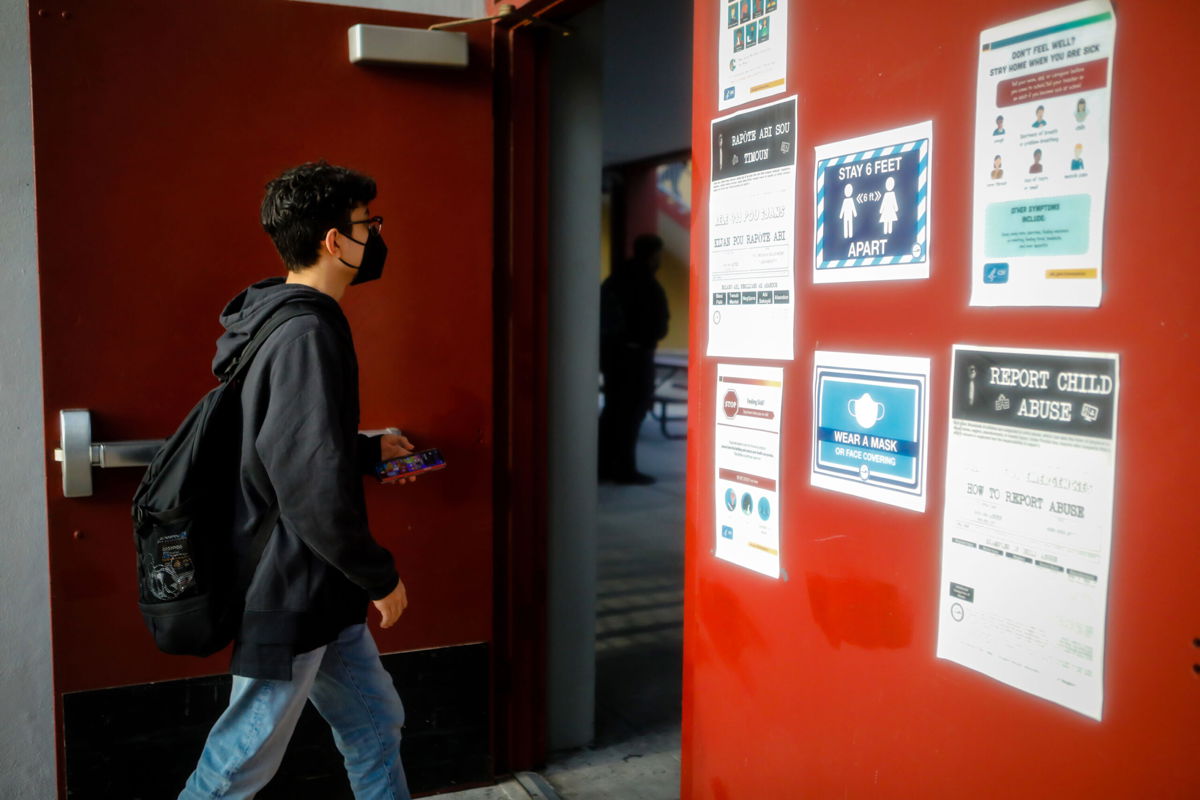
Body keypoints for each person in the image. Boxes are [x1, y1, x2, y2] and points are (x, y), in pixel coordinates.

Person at [180, 161, 414, 799]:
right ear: (335, 240)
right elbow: (308, 487)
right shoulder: (307, 331)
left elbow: (280, 444)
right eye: (369, 224)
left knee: (375, 726)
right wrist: (381, 575)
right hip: (290, 589)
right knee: (236, 766)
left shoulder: (275, 319)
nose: (377, 235)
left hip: (319, 589)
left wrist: (364, 451)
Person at [598, 234, 669, 485]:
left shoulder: (615, 280)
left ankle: (603, 466)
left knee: (613, 410)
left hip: (611, 357)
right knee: (631, 414)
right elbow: (659, 326)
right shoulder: (648, 285)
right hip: (636, 358)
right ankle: (625, 469)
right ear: (653, 255)